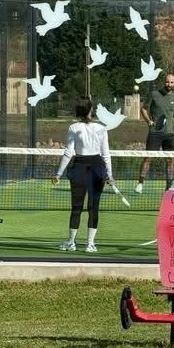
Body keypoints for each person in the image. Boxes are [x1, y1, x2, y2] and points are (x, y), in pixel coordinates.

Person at [51, 96, 114, 253]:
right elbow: (106, 154)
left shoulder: (73, 127)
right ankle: (89, 244)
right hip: (97, 167)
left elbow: (68, 152)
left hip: (79, 168)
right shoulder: (100, 128)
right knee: (93, 207)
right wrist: (109, 174)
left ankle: (72, 243)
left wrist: (58, 173)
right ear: (91, 110)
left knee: (76, 207)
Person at [135, 73, 174, 194]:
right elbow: (143, 109)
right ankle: (140, 183)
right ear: (164, 82)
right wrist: (149, 121)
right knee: (148, 158)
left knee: (170, 160)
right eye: (167, 82)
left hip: (169, 134)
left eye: (172, 82)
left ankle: (169, 185)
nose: (169, 84)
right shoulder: (154, 94)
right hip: (154, 133)